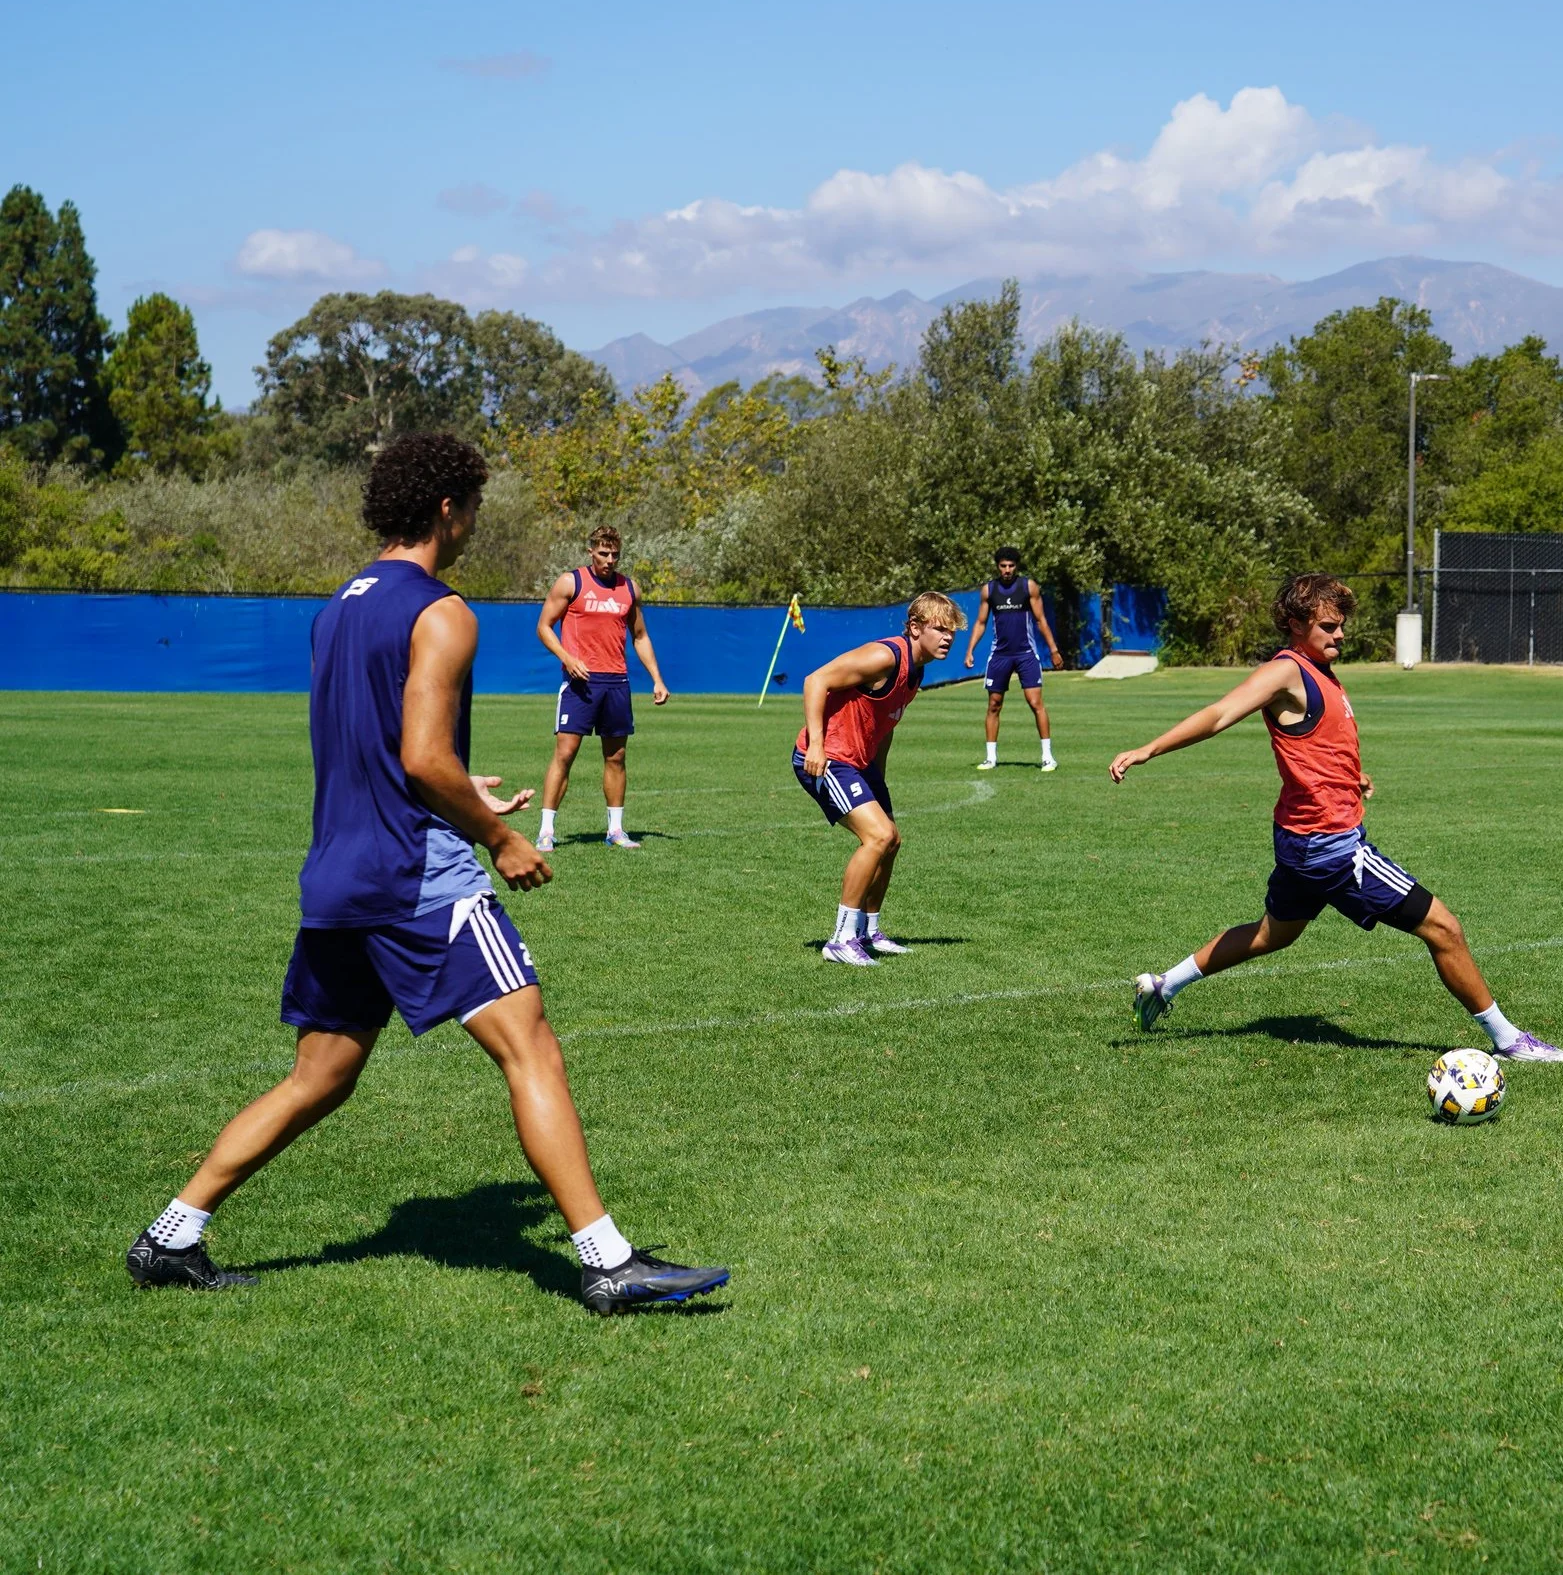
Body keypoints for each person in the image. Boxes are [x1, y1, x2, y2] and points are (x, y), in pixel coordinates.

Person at [124, 434, 727, 1314]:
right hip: (417, 877)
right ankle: (608, 1262)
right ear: (447, 508)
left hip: (338, 873)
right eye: (475, 505)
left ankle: (170, 1236)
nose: (477, 521)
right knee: (532, 1045)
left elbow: (368, 747)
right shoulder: (442, 610)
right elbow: (418, 756)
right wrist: (495, 835)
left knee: (317, 1078)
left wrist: (455, 780)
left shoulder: (339, 606)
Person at [1110, 573, 1563, 1064]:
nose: (1341, 635)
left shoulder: (1319, 669)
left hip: (1299, 836)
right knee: (1444, 928)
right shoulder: (1285, 671)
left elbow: (1317, 743)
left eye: (1341, 625)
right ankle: (1509, 1040)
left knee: (1274, 933)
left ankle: (1164, 986)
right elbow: (1220, 713)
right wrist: (1148, 750)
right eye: (1329, 625)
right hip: (1331, 846)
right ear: (1295, 624)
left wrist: (1352, 777)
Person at [796, 592, 965, 966]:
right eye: (939, 629)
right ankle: (840, 939)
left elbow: (884, 724)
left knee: (892, 841)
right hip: (828, 758)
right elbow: (815, 680)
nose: (948, 637)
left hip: (860, 764)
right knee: (878, 836)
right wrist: (817, 746)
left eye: (951, 631)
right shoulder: (885, 656)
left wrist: (878, 776)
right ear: (916, 627)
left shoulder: (917, 670)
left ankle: (868, 931)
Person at [534, 526, 669, 850]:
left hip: (616, 683)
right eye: (603, 554)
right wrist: (568, 657)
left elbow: (640, 636)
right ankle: (546, 831)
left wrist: (657, 678)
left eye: (614, 555)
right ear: (591, 552)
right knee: (565, 754)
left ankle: (616, 830)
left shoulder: (628, 588)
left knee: (617, 756)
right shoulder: (571, 582)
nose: (609, 560)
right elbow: (544, 626)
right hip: (580, 683)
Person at [963, 546, 1064, 772]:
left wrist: (1054, 650)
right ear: (997, 567)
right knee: (994, 705)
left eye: (1011, 566)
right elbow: (980, 622)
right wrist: (970, 650)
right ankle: (991, 758)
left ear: (1016, 566)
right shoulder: (989, 590)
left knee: (1035, 703)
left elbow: (1041, 621)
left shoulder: (1028, 587)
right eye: (1003, 566)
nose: (1007, 570)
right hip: (1000, 655)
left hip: (1026, 654)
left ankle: (1048, 757)